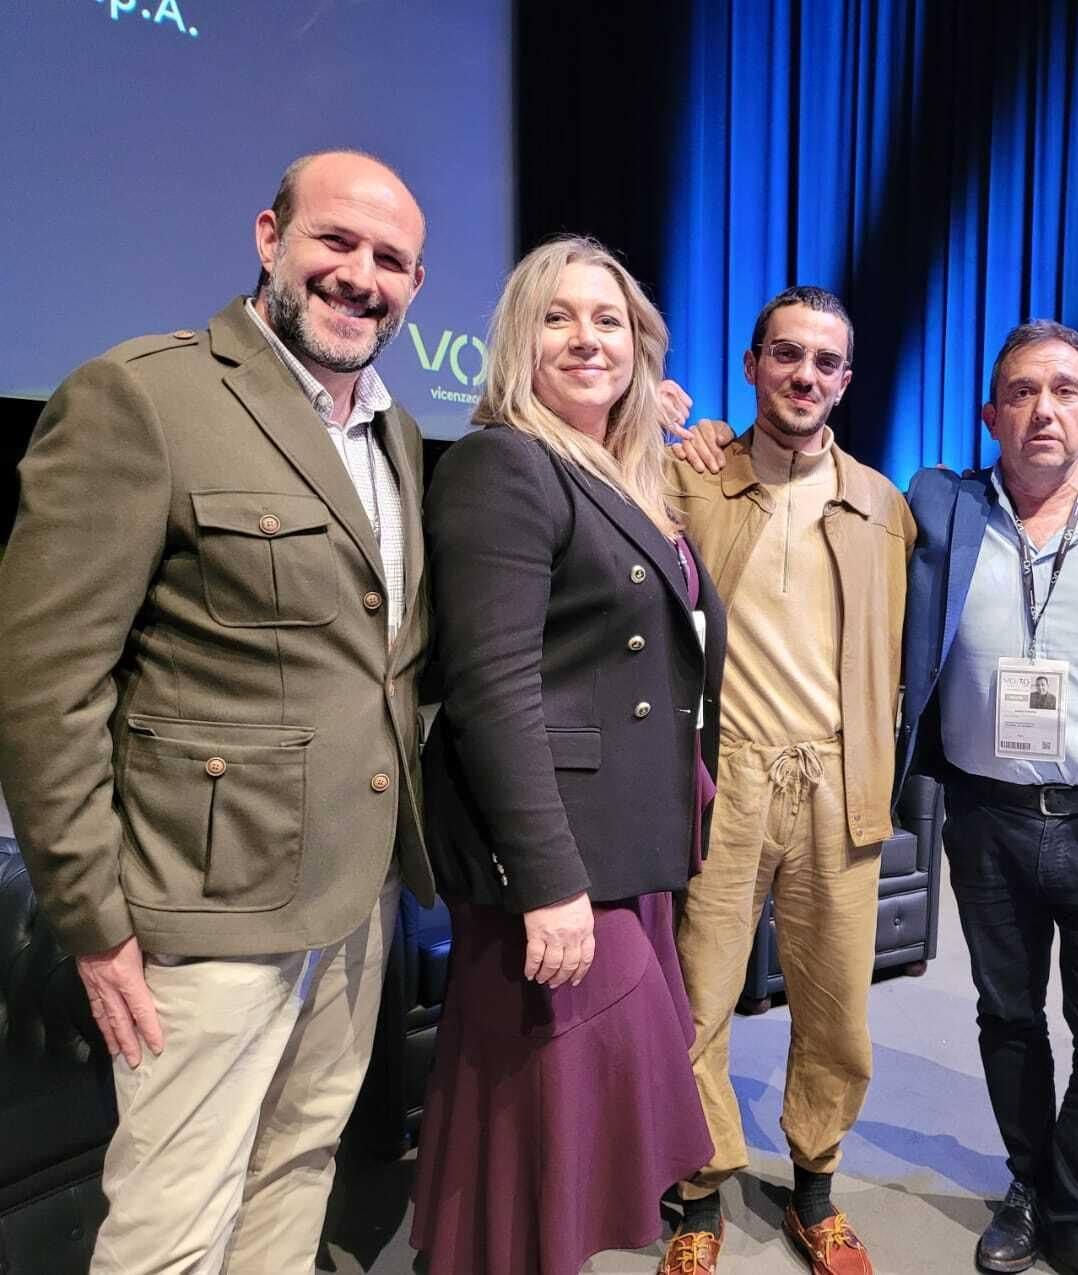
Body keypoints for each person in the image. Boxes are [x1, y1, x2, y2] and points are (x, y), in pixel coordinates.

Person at [0, 150, 432, 1272]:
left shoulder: (395, 434)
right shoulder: (143, 395)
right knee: (172, 1223)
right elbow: (45, 687)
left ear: (416, 288)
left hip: (350, 902)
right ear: (268, 237)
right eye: (335, 241)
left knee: (298, 1166)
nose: (360, 276)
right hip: (201, 915)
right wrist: (93, 921)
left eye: (390, 260)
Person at [408, 235, 727, 1275]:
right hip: (559, 871)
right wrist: (549, 883)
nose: (586, 338)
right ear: (515, 337)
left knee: (561, 1134)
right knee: (541, 1131)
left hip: (625, 853)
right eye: (558, 317)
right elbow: (491, 694)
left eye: (610, 320)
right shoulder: (505, 462)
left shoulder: (617, 473)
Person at [896, 321, 1078, 1275]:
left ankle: (1076, 1206)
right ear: (990, 413)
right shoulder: (942, 502)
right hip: (988, 820)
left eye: (1062, 390)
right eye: (1020, 391)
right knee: (1008, 1018)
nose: (1042, 408)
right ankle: (1026, 1182)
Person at [658, 286, 914, 1275]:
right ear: (754, 363)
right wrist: (666, 426)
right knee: (697, 1001)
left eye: (826, 362)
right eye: (787, 354)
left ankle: (815, 1185)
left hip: (837, 786)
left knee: (835, 1009)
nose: (805, 375)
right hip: (723, 781)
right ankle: (698, 1188)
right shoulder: (693, 483)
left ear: (846, 380)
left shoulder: (878, 505)